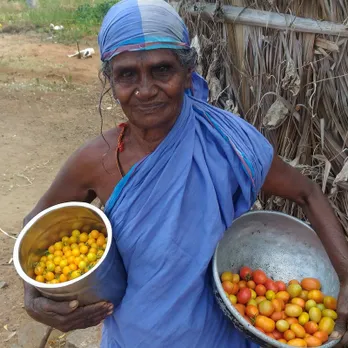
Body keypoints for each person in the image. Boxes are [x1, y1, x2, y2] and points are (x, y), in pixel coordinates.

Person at [22, 0, 348, 347]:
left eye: (163, 70)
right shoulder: (95, 160)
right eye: (127, 74)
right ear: (110, 81)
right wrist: (33, 298)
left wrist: (346, 276)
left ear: (188, 71)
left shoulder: (226, 142)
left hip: (219, 338)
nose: (145, 90)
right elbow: (35, 229)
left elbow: (307, 193)